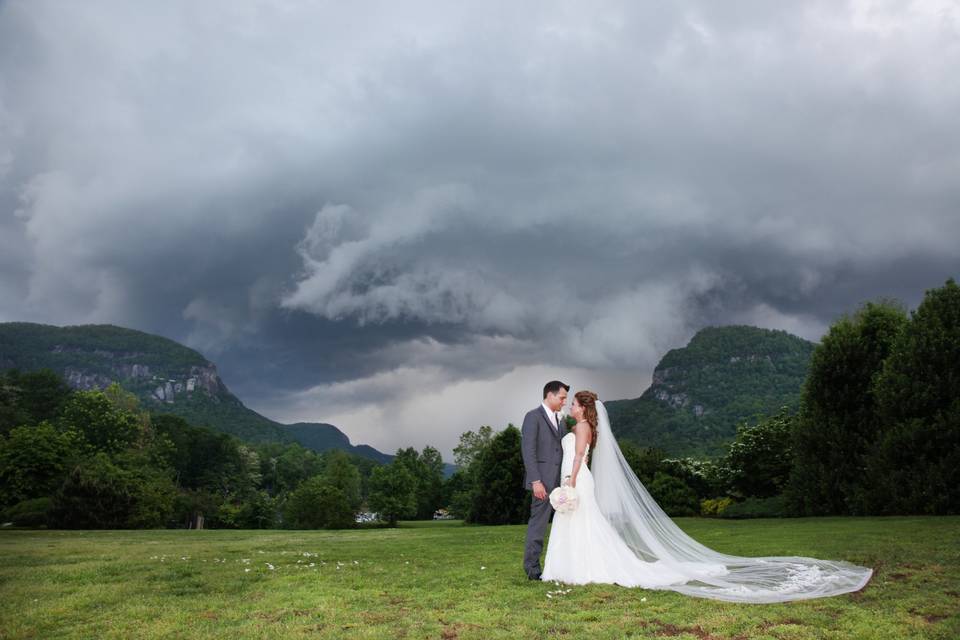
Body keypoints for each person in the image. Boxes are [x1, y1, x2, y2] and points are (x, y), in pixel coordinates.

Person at [538, 390, 875, 603]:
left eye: (575, 403)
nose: (571, 407)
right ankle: (576, 566)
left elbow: (580, 456)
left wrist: (568, 481)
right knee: (581, 522)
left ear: (583, 409)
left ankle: (583, 567)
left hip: (578, 478)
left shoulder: (582, 429)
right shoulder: (583, 426)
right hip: (578, 480)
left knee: (584, 522)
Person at [520, 380, 568, 580]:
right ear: (550, 395)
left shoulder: (561, 420)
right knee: (538, 526)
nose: (564, 402)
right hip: (542, 483)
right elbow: (528, 451)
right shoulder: (533, 417)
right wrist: (535, 481)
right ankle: (532, 569)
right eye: (562, 397)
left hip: (561, 484)